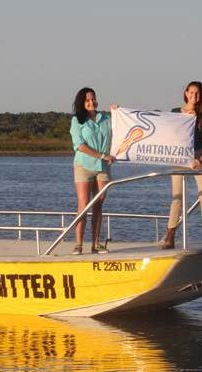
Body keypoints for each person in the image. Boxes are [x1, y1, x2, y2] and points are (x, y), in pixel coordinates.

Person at [162, 81, 202, 249]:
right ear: (186, 93)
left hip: (199, 157)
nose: (194, 96)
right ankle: (170, 235)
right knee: (176, 198)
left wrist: (201, 159)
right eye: (191, 92)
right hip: (178, 159)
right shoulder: (175, 113)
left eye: (197, 93)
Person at [69, 87, 117, 255]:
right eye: (87, 100)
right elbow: (79, 145)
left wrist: (118, 114)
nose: (91, 102)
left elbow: (120, 131)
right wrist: (101, 155)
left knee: (99, 203)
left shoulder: (106, 118)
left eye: (93, 99)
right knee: (84, 204)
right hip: (84, 165)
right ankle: (78, 244)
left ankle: (96, 243)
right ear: (82, 103)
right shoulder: (77, 120)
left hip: (103, 167)